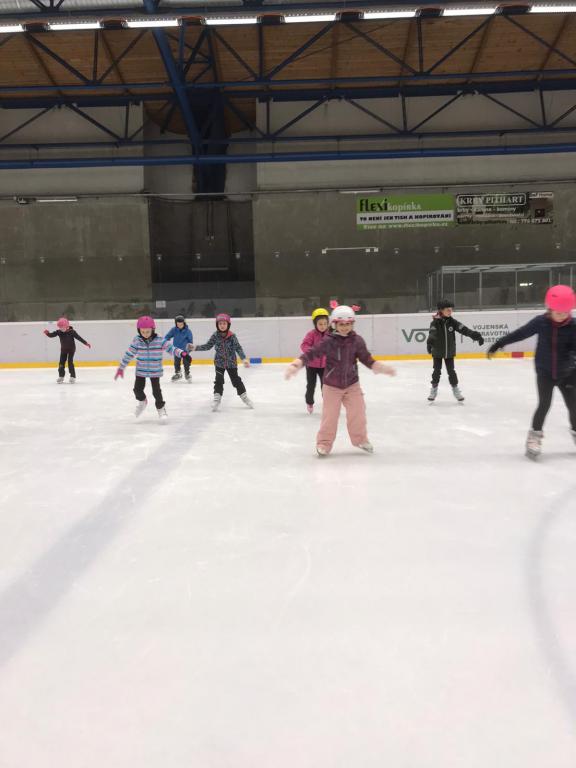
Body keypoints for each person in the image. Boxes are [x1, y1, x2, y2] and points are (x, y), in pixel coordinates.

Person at [285, 304, 396, 456]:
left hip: (352, 384)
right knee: (329, 417)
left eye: (348, 324)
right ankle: (324, 443)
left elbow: (367, 359)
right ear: (334, 324)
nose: (345, 327)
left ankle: (360, 440)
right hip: (331, 386)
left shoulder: (357, 341)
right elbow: (312, 353)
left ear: (352, 323)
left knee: (358, 413)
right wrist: (297, 364)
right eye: (341, 324)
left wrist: (380, 367)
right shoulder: (328, 341)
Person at [487, 284, 576, 459]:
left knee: (574, 406)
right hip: (545, 373)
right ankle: (534, 436)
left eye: (566, 313)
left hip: (568, 372)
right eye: (558, 313)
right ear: (550, 309)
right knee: (544, 405)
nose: (562, 316)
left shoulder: (573, 326)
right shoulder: (541, 322)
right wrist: (499, 343)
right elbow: (521, 333)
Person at [114, 315, 189, 420]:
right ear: (139, 331)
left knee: (156, 392)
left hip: (155, 371)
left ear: (153, 330)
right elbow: (129, 354)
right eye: (143, 332)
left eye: (147, 332)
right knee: (137, 390)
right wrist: (121, 367)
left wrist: (182, 353)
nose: (145, 334)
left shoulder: (160, 340)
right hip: (141, 371)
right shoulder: (137, 341)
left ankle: (161, 408)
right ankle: (142, 402)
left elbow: (171, 348)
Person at [189, 313, 252, 411]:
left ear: (228, 325)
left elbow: (238, 348)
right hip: (219, 363)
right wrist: (195, 348)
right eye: (220, 324)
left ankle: (245, 397)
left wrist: (244, 359)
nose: (222, 325)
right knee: (219, 380)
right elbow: (208, 346)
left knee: (236, 381)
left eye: (224, 324)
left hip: (231, 363)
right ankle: (216, 400)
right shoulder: (215, 335)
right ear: (217, 325)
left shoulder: (232, 336)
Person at [426, 299, 484, 402]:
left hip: (449, 352)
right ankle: (434, 389)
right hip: (437, 352)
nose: (450, 312)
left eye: (451, 310)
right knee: (436, 371)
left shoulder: (452, 322)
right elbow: (432, 333)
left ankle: (456, 390)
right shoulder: (435, 323)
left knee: (451, 372)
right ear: (441, 310)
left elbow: (464, 330)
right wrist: (430, 342)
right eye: (448, 310)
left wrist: (476, 336)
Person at [43, 316, 91, 383]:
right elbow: (52, 335)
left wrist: (86, 343)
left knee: (70, 362)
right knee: (61, 364)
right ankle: (61, 376)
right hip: (63, 350)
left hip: (71, 349)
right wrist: (47, 333)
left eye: (62, 327)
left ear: (67, 326)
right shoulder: (59, 332)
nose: (61, 329)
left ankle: (72, 377)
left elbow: (79, 338)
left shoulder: (72, 332)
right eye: (60, 327)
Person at [300, 307, 329, 414]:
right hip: (311, 365)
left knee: (326, 387)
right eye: (320, 324)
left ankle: (328, 404)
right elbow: (304, 345)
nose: (323, 326)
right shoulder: (311, 334)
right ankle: (309, 402)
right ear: (315, 324)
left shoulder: (330, 334)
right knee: (311, 386)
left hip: (325, 366)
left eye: (325, 324)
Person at [165, 315, 193, 382]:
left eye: (181, 324)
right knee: (176, 362)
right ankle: (178, 373)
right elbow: (167, 336)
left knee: (186, 362)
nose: (179, 325)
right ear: (176, 323)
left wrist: (189, 348)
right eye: (178, 324)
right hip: (177, 350)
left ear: (184, 323)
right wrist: (165, 341)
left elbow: (190, 341)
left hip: (185, 350)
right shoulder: (174, 330)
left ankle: (187, 373)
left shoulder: (188, 331)